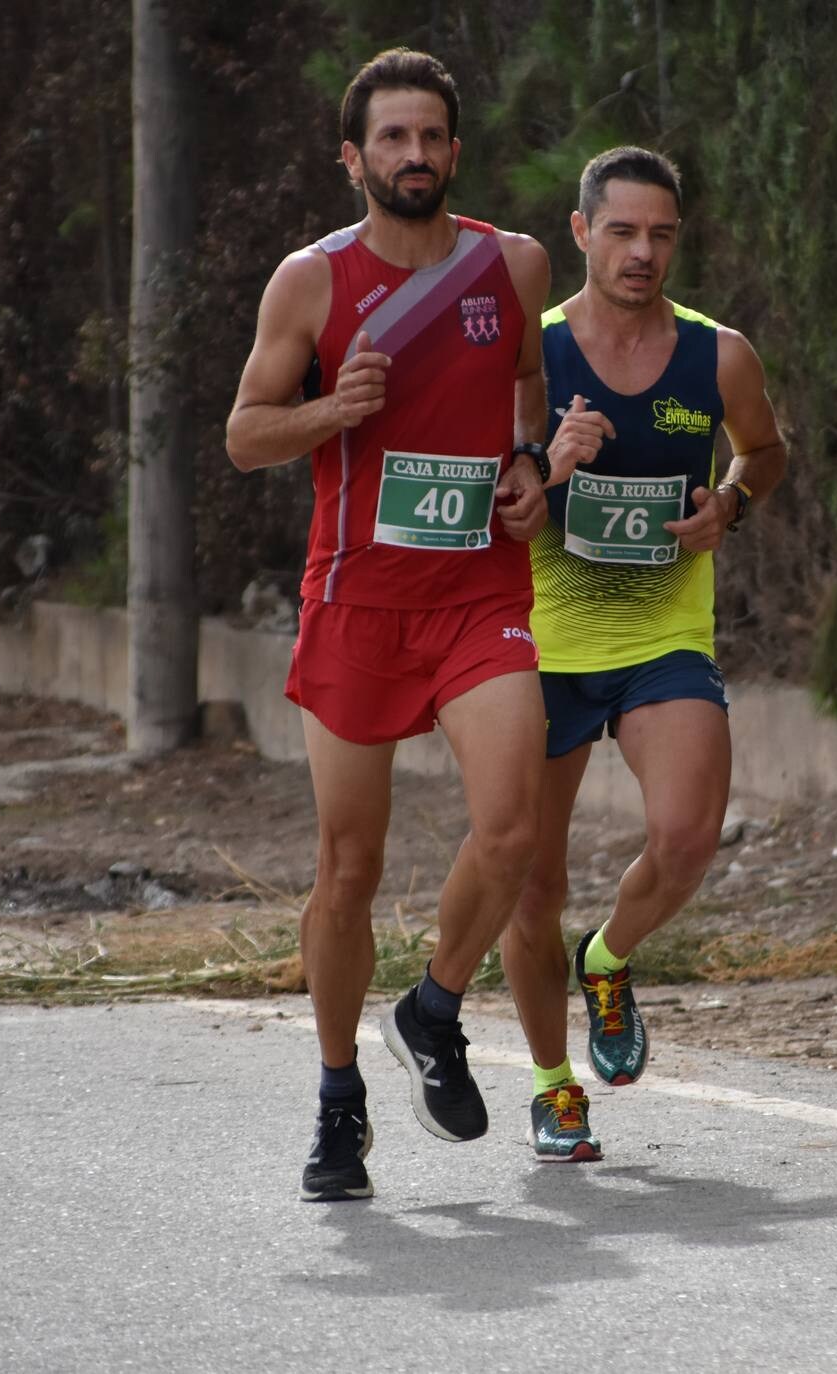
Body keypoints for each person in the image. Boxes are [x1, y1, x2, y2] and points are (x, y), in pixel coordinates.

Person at [224, 49, 556, 1202]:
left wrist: (526, 465)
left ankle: (433, 1006)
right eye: (392, 139)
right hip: (357, 601)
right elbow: (245, 434)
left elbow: (529, 385)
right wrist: (334, 408)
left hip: (477, 592)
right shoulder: (309, 283)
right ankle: (335, 1100)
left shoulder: (511, 263)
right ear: (353, 158)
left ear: (454, 153)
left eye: (432, 138)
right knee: (348, 866)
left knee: (512, 828)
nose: (413, 156)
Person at [498, 147, 788, 1162]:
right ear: (580, 233)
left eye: (661, 234)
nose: (643, 251)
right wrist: (547, 462)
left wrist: (731, 503)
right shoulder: (526, 357)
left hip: (663, 632)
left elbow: (765, 448)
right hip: (536, 644)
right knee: (526, 886)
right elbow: (491, 502)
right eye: (621, 231)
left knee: (685, 836)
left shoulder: (719, 356)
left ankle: (609, 960)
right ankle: (550, 1084)